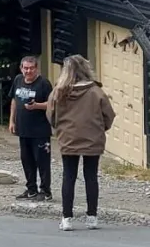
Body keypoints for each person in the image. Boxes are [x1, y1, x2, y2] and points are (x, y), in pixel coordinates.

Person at [46, 54, 115, 232]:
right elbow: (109, 115)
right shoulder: (96, 91)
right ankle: (92, 217)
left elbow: (51, 115)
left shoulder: (59, 92)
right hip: (93, 137)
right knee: (91, 176)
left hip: (68, 137)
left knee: (69, 176)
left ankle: (67, 218)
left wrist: (59, 128)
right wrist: (100, 129)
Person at [7, 55, 54, 201]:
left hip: (40, 130)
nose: (28, 71)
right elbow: (14, 100)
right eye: (25, 68)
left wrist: (36, 106)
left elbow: (52, 104)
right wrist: (12, 121)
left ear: (36, 69)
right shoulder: (18, 80)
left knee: (42, 161)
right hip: (23, 129)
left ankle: (45, 191)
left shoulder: (44, 84)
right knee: (26, 160)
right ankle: (31, 189)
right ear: (21, 68)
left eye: (31, 68)